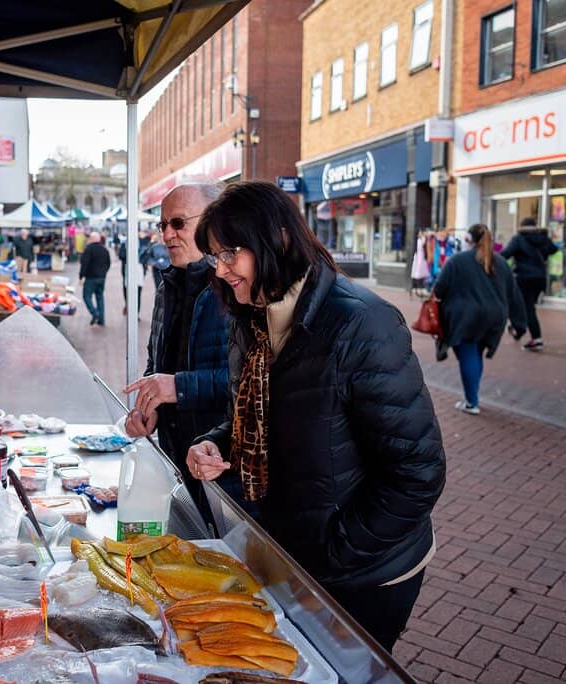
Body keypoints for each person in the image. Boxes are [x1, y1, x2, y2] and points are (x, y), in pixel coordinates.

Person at [186, 181, 445, 652]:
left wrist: (335, 549)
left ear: (279, 239)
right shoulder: (250, 319)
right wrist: (216, 444)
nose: (220, 270)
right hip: (293, 555)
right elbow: (256, 418)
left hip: (367, 572)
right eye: (214, 256)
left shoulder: (362, 323)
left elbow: (417, 472)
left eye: (231, 253)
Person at [122, 184, 242, 524]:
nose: (167, 235)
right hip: (177, 462)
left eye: (178, 223)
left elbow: (250, 381)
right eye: (162, 225)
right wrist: (149, 408)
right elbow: (157, 365)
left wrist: (178, 387)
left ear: (212, 223)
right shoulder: (168, 286)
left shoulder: (236, 289)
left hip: (222, 467)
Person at [433, 224, 527, 415]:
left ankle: (471, 402)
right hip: (494, 317)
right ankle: (472, 397)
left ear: (469, 239)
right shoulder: (501, 263)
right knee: (476, 353)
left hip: (465, 317)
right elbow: (514, 295)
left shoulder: (457, 260)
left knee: (468, 354)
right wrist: (520, 324)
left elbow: (439, 289)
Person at [499, 217, 560, 351]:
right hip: (540, 278)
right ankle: (518, 327)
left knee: (526, 307)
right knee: (527, 306)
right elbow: (554, 249)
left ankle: (535, 338)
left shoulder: (519, 239)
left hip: (524, 277)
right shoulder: (542, 238)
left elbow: (506, 254)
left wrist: (490, 258)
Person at [79, 231, 111, 326]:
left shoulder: (88, 249)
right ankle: (101, 319)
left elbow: (84, 264)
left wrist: (81, 276)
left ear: (92, 239)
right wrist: (104, 273)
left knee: (86, 296)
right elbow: (108, 263)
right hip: (101, 278)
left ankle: (95, 313)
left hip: (91, 278)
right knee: (100, 297)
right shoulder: (104, 249)